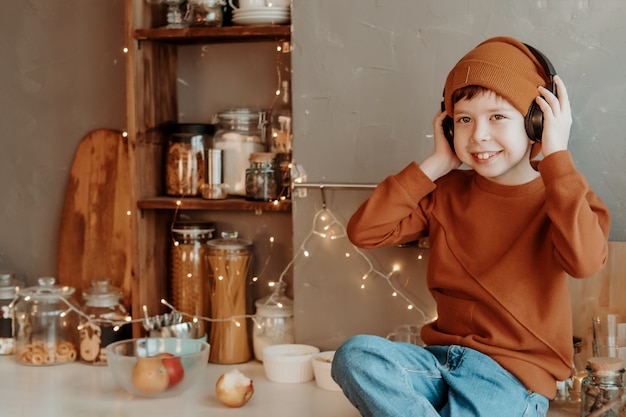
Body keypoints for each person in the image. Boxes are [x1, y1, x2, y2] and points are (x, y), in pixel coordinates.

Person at [331, 36, 611, 417]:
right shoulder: (444, 192)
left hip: (511, 378)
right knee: (355, 355)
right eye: (463, 119)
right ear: (448, 128)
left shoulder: (562, 194)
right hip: (437, 365)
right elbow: (364, 231)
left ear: (537, 122)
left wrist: (557, 155)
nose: (478, 134)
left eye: (497, 117)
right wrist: (437, 164)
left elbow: (585, 262)